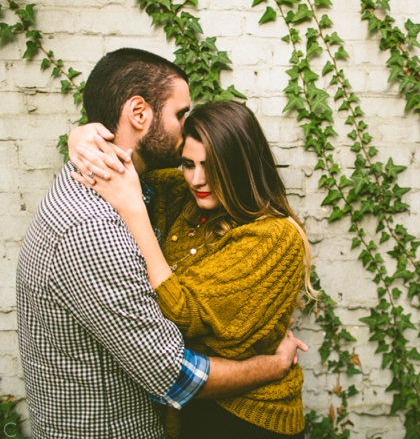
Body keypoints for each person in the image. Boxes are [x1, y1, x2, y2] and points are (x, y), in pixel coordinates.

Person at [16, 48, 306, 439]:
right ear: (139, 113)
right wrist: (271, 366)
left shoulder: (143, 193)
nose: (185, 132)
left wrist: (92, 143)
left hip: (243, 421)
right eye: (180, 114)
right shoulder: (98, 224)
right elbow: (173, 373)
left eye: (210, 166)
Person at [71, 101, 312, 438]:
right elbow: (123, 166)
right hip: (192, 404)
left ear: (241, 166)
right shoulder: (181, 194)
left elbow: (184, 313)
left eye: (212, 166)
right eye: (188, 164)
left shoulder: (275, 236)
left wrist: (134, 211)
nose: (197, 179)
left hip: (250, 416)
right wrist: (80, 139)